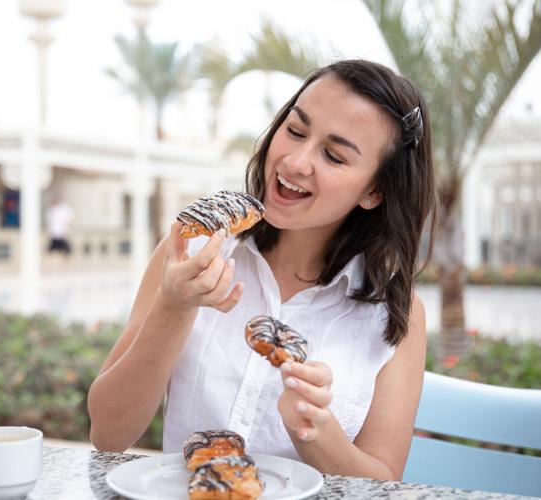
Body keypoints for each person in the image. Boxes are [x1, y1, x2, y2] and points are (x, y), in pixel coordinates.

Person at [87, 59, 435, 481]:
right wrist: (174, 307)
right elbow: (108, 434)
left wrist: (316, 431)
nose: (296, 161)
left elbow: (383, 483)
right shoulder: (190, 253)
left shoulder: (395, 314)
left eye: (333, 155)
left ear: (374, 191)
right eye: (295, 130)